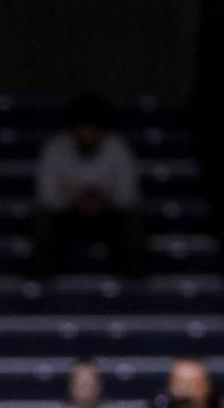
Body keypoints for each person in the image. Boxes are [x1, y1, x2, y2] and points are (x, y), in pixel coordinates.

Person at [32, 94, 141, 277]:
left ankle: (133, 283)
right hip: (68, 217)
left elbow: (128, 196)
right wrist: (75, 199)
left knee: (134, 222)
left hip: (108, 217)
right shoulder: (54, 149)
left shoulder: (118, 149)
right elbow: (46, 197)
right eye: (81, 129)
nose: (86, 135)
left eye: (92, 129)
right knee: (42, 221)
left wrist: (103, 199)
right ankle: (42, 282)